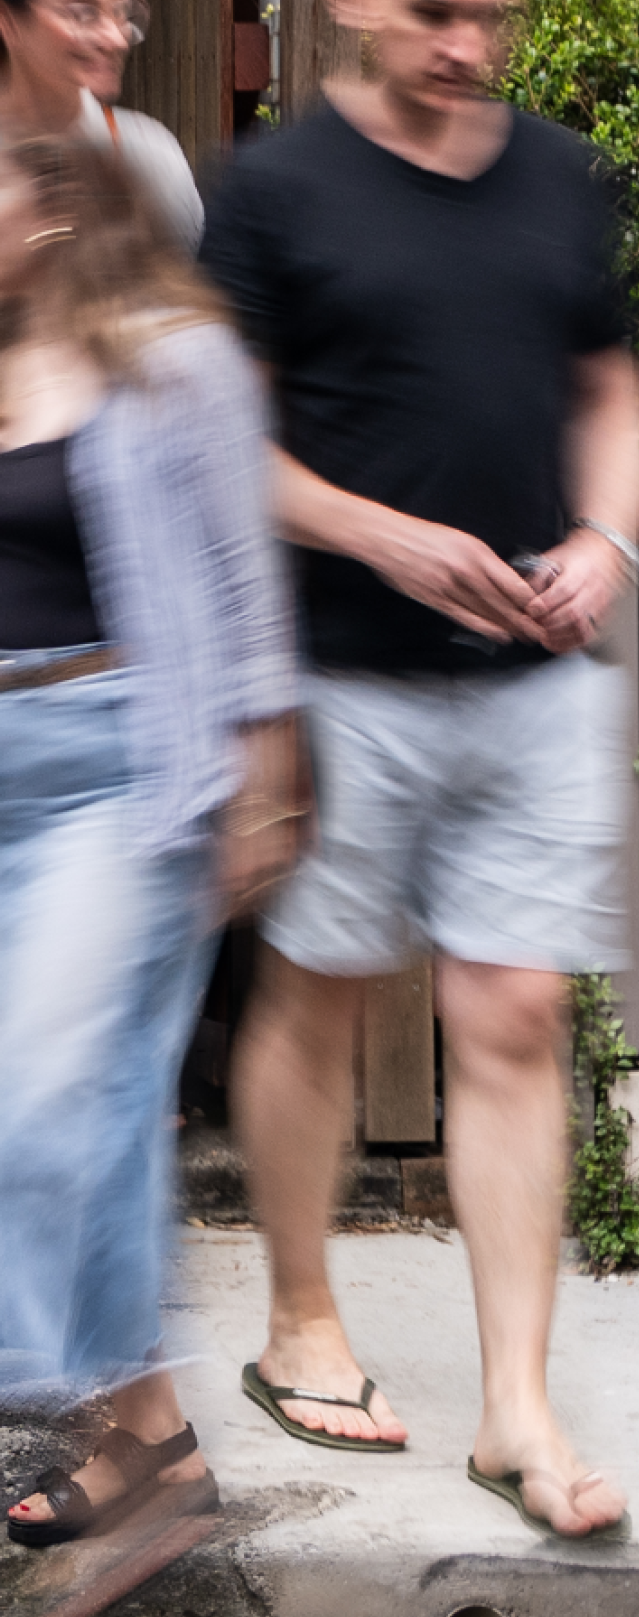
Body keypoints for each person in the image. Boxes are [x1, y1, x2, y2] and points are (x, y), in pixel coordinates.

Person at [199, 0, 639, 1540]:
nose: (466, 45)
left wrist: (606, 540)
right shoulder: (274, 188)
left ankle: (515, 1405)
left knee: (516, 1014)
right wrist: (381, 532)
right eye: (435, 11)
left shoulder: (559, 177)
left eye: (491, 17)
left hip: (535, 677)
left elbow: (611, 390)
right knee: (318, 1000)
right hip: (339, 671)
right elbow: (215, 444)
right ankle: (299, 1319)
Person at [0, 133, 297, 1557]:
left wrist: (265, 777)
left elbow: (246, 584)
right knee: (105, 1105)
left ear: (54, 212)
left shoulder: (178, 362)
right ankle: (156, 1443)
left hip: (117, 766)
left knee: (48, 1086)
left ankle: (47, 1375)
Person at [0, 0, 205, 252]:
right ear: (8, 22)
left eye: (123, 11)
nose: (116, 39)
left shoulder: (150, 159)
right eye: (82, 12)